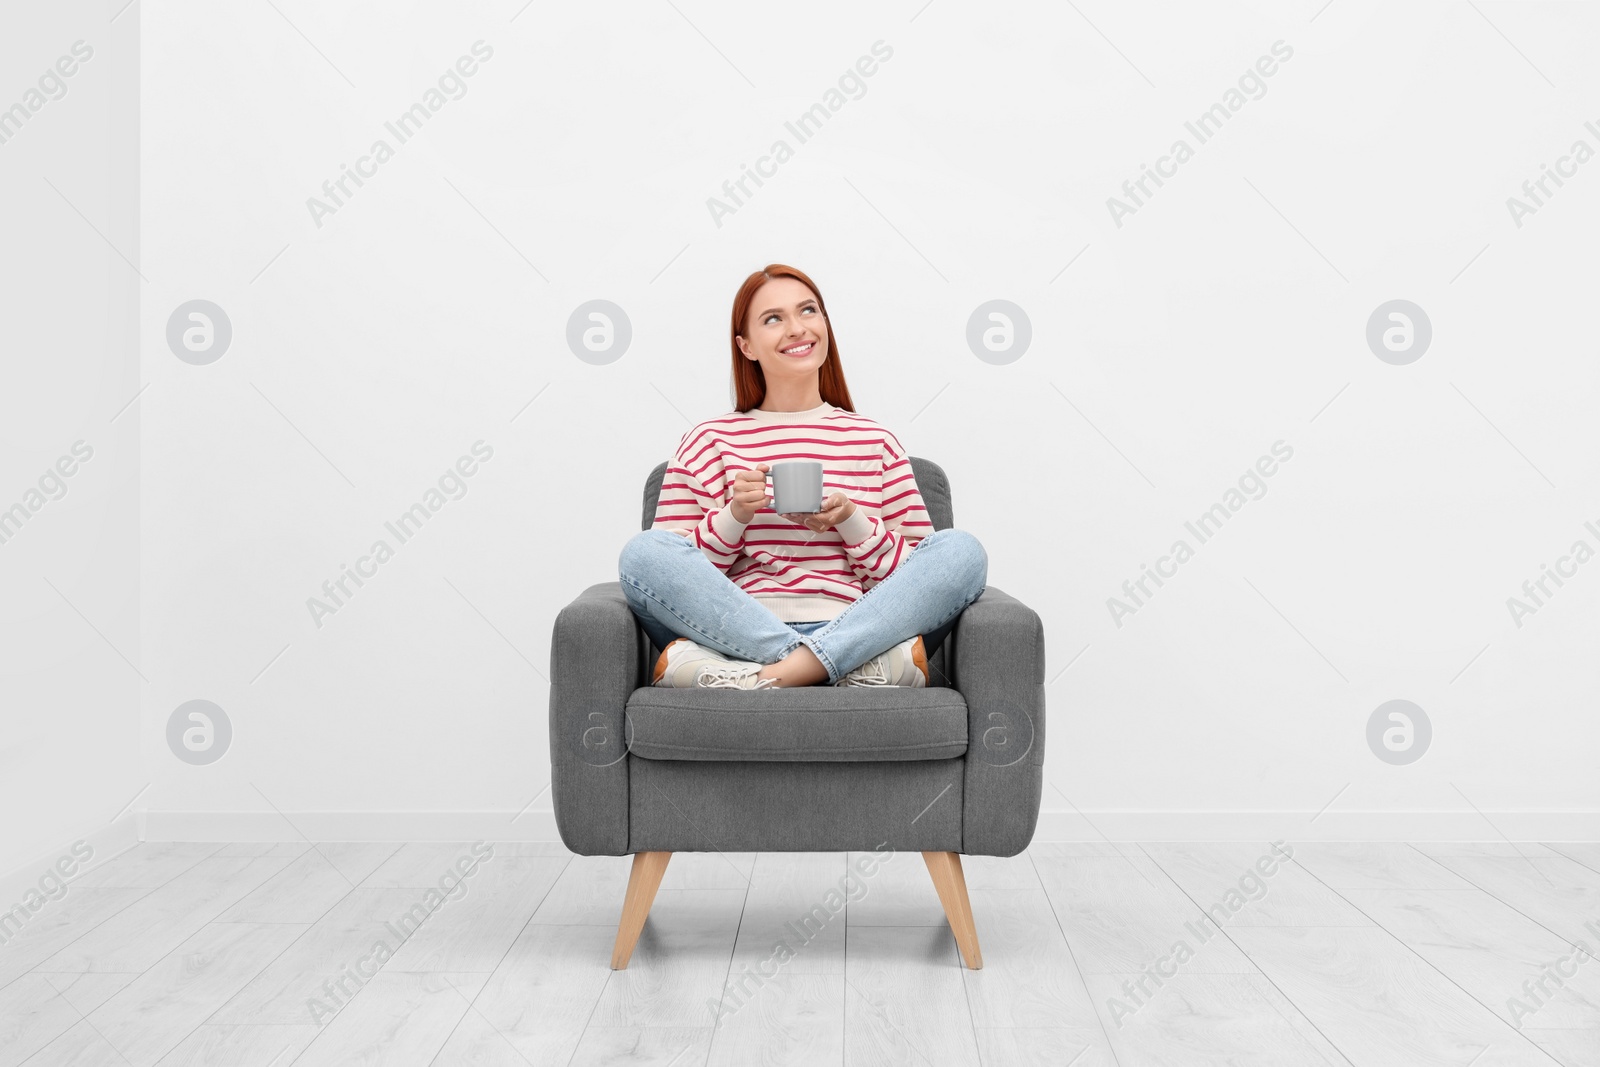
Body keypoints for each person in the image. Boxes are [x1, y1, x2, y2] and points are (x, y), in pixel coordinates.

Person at [617, 263, 988, 689]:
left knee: (962, 551)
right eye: (773, 319)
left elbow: (914, 580)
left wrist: (852, 520)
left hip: (853, 621)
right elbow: (676, 575)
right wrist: (734, 516)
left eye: (808, 311)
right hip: (737, 634)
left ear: (825, 325)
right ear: (747, 346)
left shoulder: (875, 440)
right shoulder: (708, 440)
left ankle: (772, 677)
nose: (797, 328)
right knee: (642, 553)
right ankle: (840, 668)